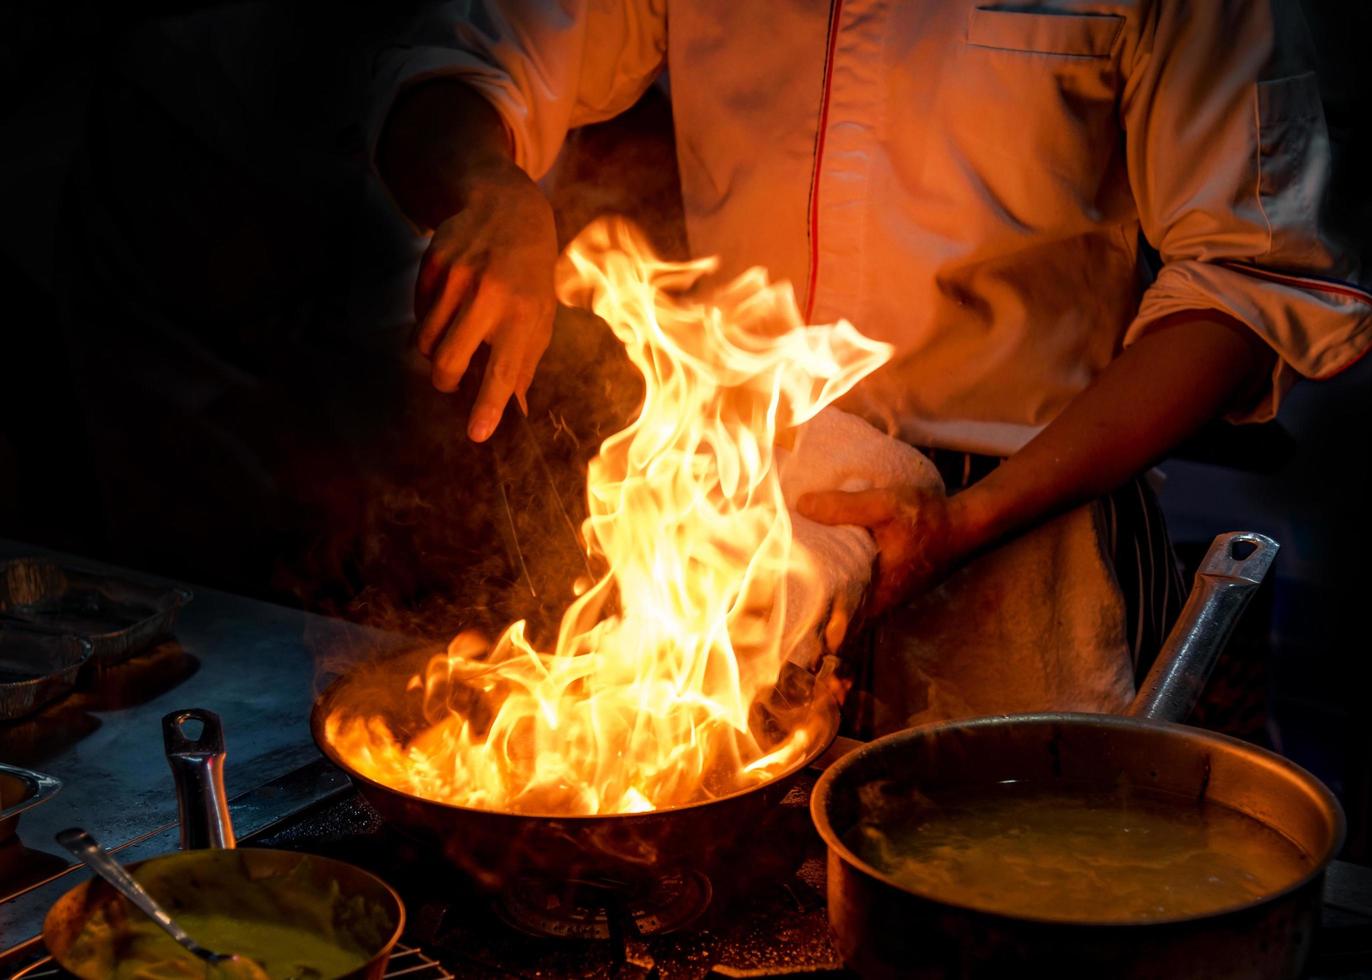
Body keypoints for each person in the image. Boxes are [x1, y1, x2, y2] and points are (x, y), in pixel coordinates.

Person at [369, 0, 1371, 723]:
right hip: (745, 543)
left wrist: (969, 520)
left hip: (1036, 535)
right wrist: (487, 187)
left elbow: (1245, 280)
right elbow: (460, 61)